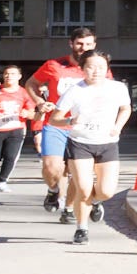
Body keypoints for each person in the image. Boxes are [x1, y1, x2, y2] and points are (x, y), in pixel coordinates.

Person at [48, 51, 131, 245]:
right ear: (82, 68)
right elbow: (54, 119)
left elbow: (125, 108)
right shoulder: (75, 90)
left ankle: (96, 203)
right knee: (83, 189)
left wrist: (117, 126)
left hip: (108, 144)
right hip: (80, 143)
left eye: (101, 67)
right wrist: (70, 120)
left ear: (107, 69)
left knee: (106, 192)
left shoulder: (117, 88)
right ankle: (81, 228)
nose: (96, 71)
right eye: (91, 67)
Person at [27, 27, 108, 224]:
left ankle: (69, 209)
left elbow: (108, 93)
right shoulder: (54, 65)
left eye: (88, 44)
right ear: (71, 44)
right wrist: (39, 102)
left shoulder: (99, 67)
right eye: (79, 43)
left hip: (83, 128)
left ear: (94, 45)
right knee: (51, 167)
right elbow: (31, 83)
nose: (83, 48)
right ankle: (53, 190)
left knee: (76, 173)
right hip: (56, 124)